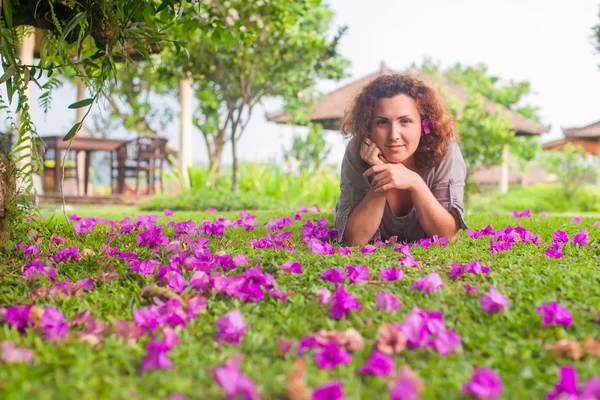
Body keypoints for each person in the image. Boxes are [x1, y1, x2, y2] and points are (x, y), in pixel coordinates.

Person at [334, 73, 467, 246]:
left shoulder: (446, 152)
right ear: (368, 127)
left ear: (423, 124)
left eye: (405, 121)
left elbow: (447, 236)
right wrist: (382, 177)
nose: (393, 135)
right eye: (382, 122)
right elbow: (354, 239)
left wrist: (416, 183)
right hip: (355, 202)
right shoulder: (356, 151)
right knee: (343, 208)